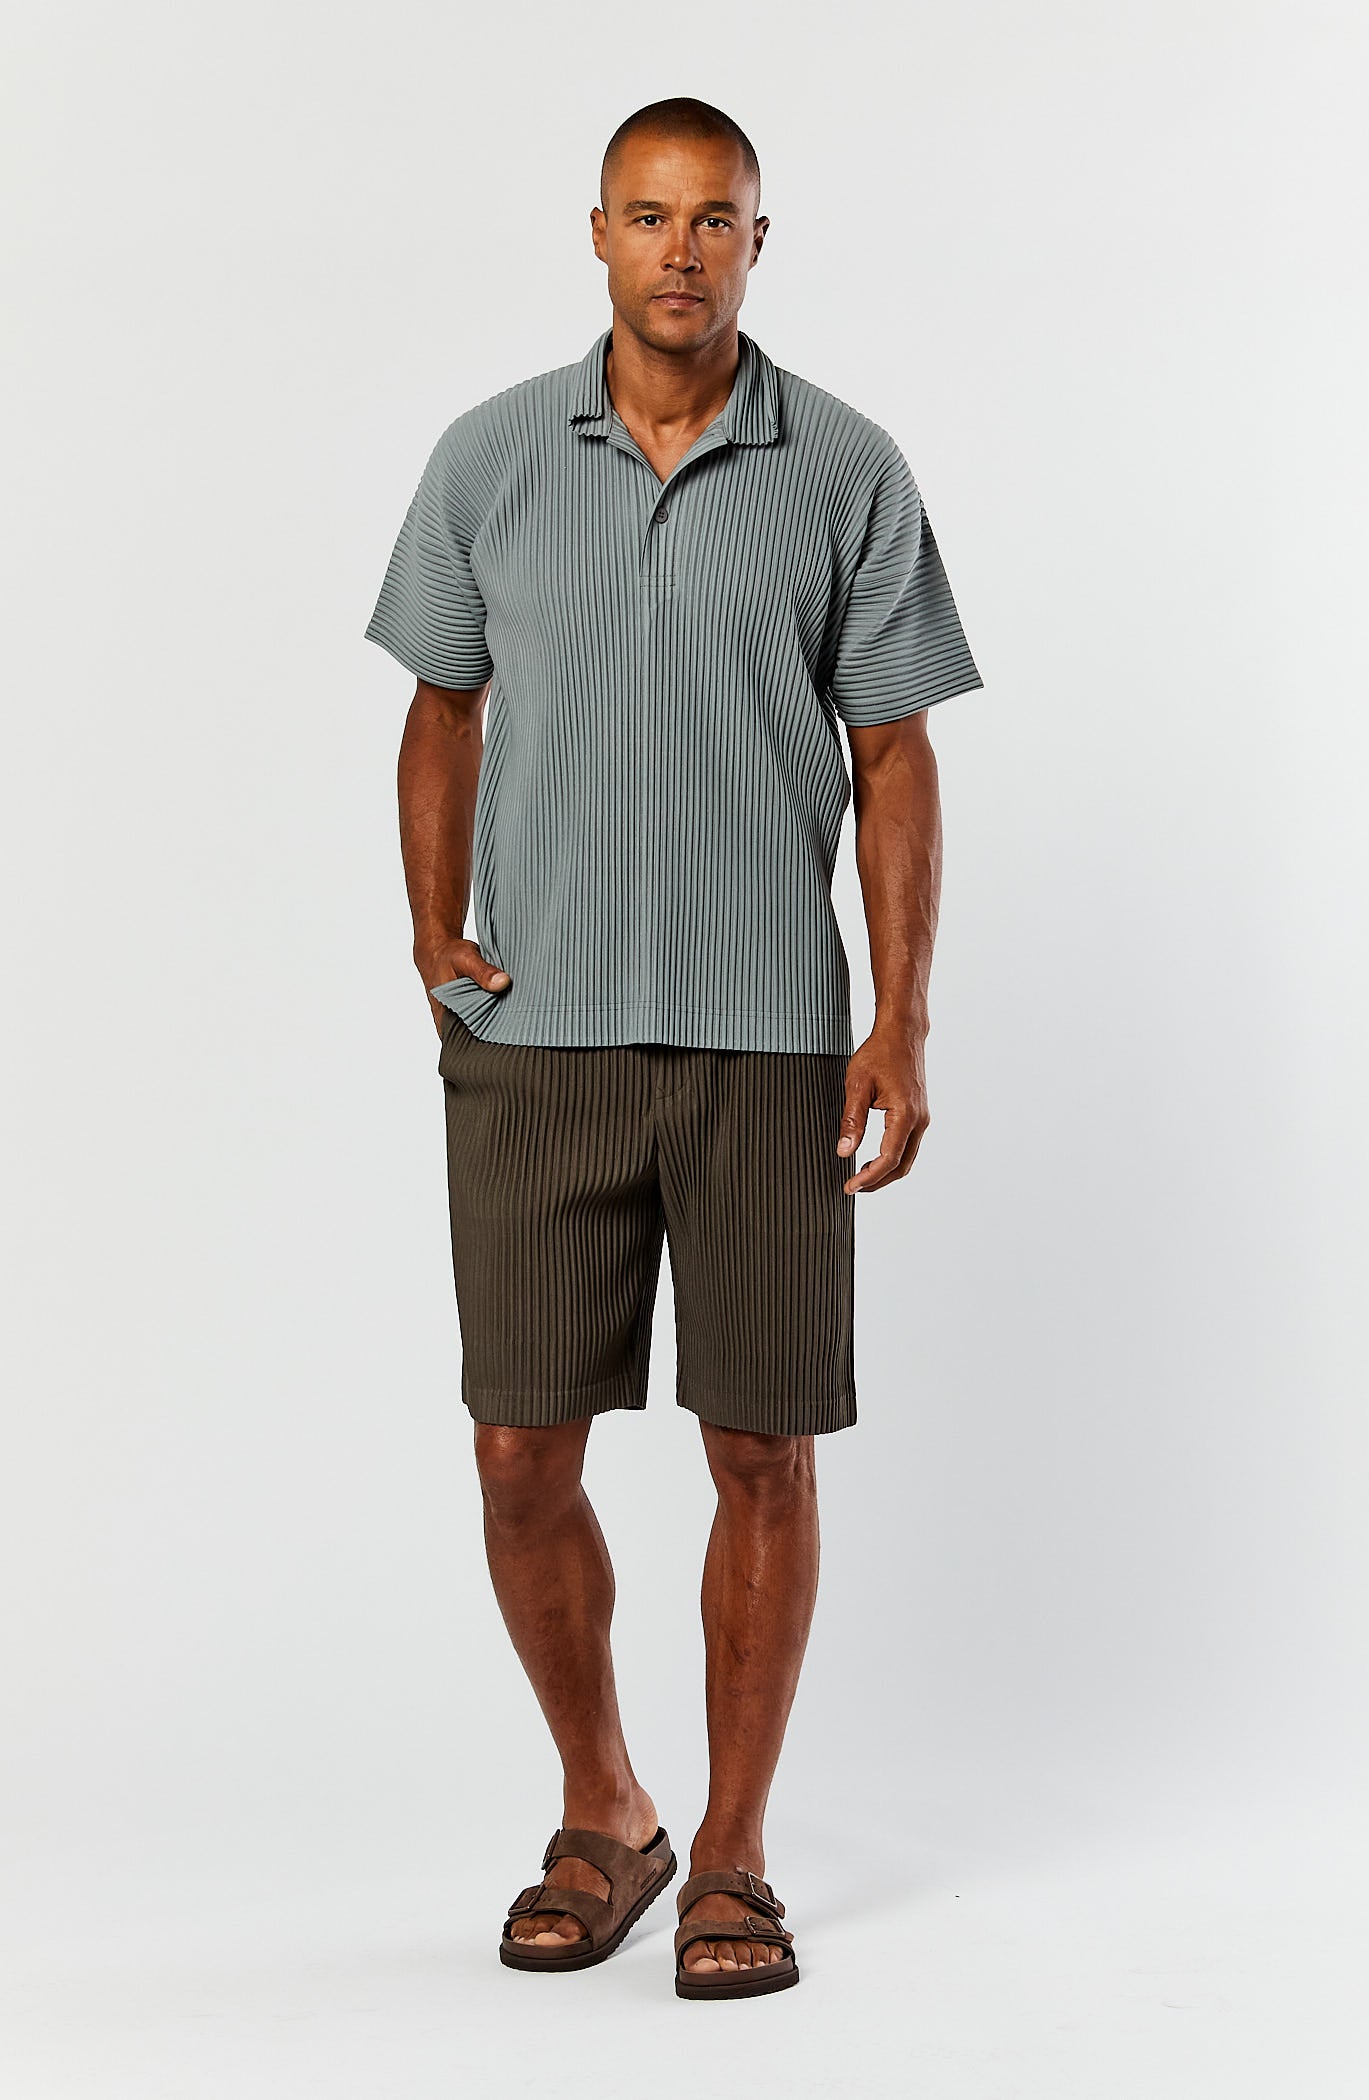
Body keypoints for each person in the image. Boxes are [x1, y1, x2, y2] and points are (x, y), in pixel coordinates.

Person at [363, 95, 982, 2001]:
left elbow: (895, 754)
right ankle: (606, 1808)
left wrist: (898, 1018)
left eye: (717, 219)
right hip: (535, 1035)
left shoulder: (847, 467)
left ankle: (732, 1853)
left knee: (763, 1451)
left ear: (758, 243)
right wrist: (435, 930)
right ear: (599, 235)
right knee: (516, 1451)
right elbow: (441, 704)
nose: (682, 249)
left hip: (767, 1041)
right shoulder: (488, 456)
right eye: (649, 215)